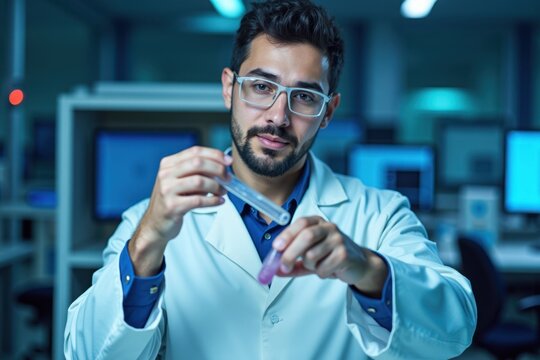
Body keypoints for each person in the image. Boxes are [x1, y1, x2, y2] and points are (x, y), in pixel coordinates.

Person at [64, 0, 477, 358]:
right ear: (229, 89)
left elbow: (454, 330)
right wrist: (149, 241)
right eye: (261, 86)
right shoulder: (150, 220)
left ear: (328, 112)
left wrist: (365, 268)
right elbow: (87, 352)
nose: (277, 117)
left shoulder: (379, 215)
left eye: (304, 97)